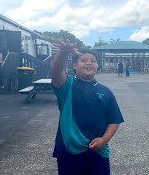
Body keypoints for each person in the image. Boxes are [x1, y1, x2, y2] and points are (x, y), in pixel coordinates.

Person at [51, 39, 124, 175]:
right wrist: (63, 53)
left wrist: (104, 139)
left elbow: (114, 120)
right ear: (74, 65)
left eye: (93, 60)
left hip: (99, 150)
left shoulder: (106, 91)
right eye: (83, 60)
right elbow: (56, 71)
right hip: (69, 149)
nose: (89, 63)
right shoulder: (67, 86)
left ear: (97, 67)